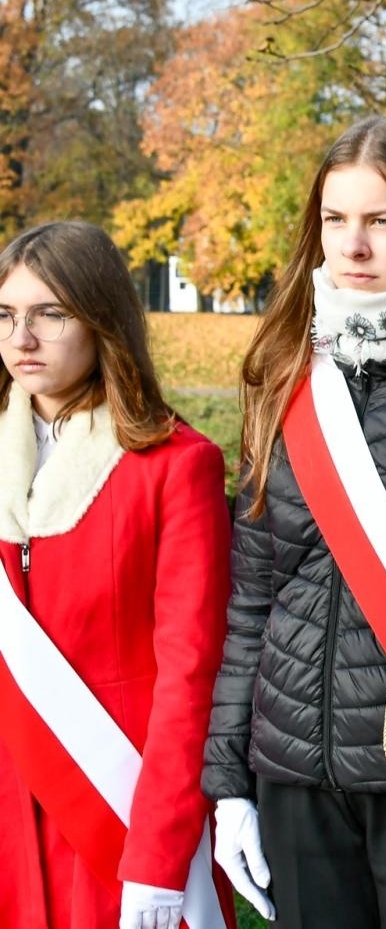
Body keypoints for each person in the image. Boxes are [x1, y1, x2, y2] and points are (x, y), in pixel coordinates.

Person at [203, 116, 386, 929]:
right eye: (336, 220)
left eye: (383, 221)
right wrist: (229, 786)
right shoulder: (283, 369)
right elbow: (252, 600)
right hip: (293, 777)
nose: (353, 246)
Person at [0, 222, 233, 929]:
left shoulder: (175, 465)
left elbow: (190, 679)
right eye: (7, 315)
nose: (23, 339)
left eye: (51, 314)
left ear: (103, 319)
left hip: (116, 814)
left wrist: (158, 858)